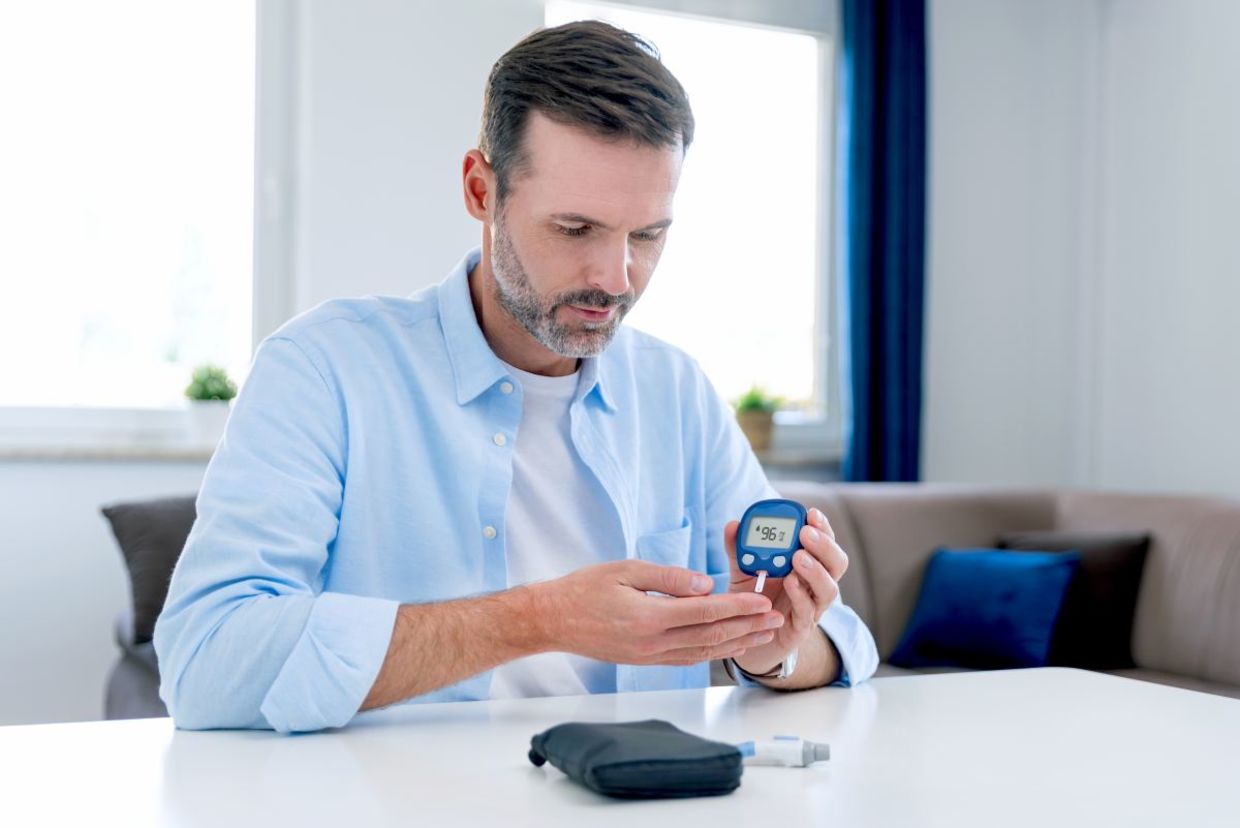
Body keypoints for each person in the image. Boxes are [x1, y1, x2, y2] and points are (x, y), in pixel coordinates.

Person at [154, 20, 879, 733]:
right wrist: (540, 619)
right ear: (480, 190)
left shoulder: (675, 391)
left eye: (648, 235)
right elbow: (208, 662)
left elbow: (837, 643)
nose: (615, 277)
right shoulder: (324, 369)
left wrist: (772, 653)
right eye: (575, 230)